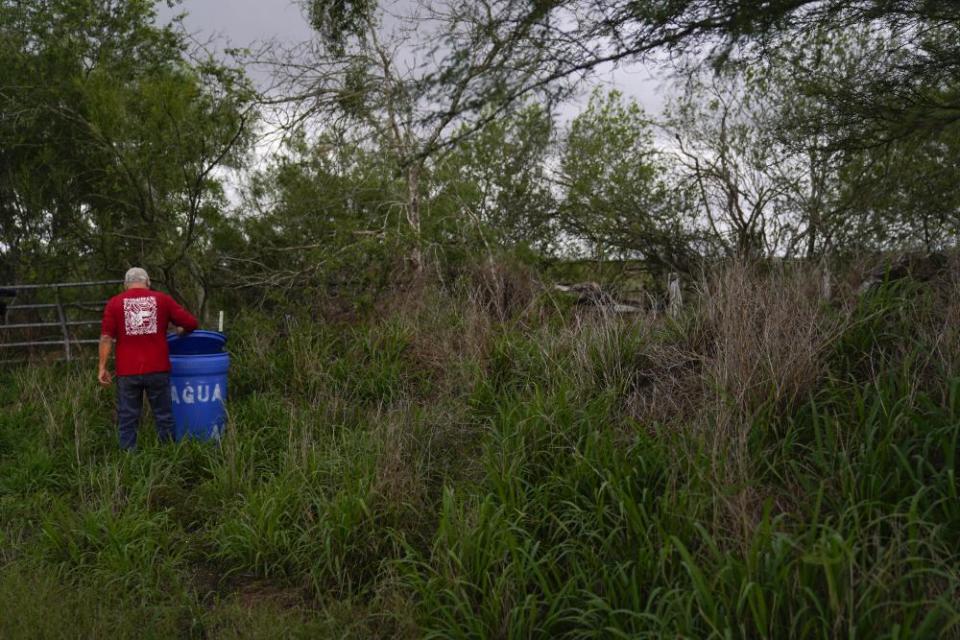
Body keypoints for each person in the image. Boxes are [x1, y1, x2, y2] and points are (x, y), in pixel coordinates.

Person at [99, 267, 198, 450]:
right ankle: (169, 457)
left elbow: (106, 338)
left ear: (125, 285)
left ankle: (129, 464)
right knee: (164, 417)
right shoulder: (162, 300)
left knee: (128, 419)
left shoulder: (114, 303)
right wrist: (181, 331)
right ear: (148, 282)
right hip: (158, 368)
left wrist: (102, 367)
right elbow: (191, 323)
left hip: (127, 371)